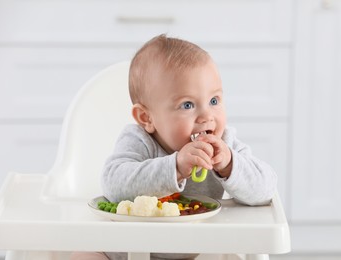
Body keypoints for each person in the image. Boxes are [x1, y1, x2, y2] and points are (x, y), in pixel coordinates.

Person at [71, 34, 277, 260]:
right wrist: (176, 166)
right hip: (123, 251)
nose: (207, 115)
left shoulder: (224, 146)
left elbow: (266, 189)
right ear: (146, 117)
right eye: (187, 105)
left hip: (189, 253)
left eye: (214, 101)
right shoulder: (139, 141)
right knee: (84, 254)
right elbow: (113, 184)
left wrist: (229, 165)